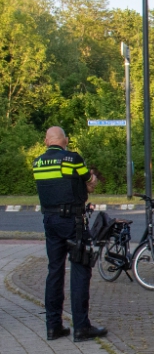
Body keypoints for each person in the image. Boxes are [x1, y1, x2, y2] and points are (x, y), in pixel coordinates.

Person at [33, 127, 108, 342]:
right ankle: (81, 327)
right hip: (73, 222)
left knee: (54, 271)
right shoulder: (72, 158)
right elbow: (88, 180)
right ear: (65, 140)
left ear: (47, 141)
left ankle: (53, 327)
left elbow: (60, 184)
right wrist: (90, 180)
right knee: (80, 269)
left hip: (50, 221)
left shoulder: (37, 163)